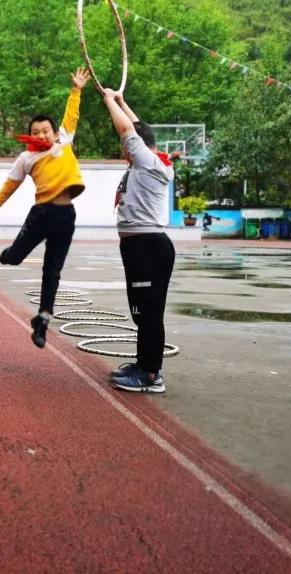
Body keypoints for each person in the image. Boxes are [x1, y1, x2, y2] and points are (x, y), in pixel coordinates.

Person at [0, 68, 89, 349]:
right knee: (15, 259)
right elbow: (10, 185)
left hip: (66, 217)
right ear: (29, 135)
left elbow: (71, 115)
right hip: (41, 215)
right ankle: (8, 254)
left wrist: (76, 90)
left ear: (54, 132)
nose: (40, 134)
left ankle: (42, 320)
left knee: (52, 270)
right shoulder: (27, 157)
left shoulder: (64, 141)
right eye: (34, 132)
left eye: (45, 130)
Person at [103, 88, 175, 394]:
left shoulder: (147, 162)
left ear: (139, 146)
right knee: (143, 311)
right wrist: (121, 101)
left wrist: (107, 100)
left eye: (127, 144)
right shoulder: (151, 159)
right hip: (139, 245)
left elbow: (128, 130)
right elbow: (139, 127)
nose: (123, 148)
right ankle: (144, 364)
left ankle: (149, 375)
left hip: (147, 245)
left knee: (148, 312)